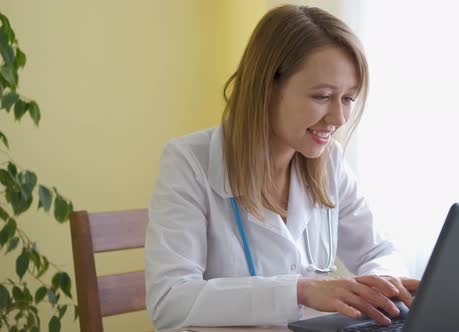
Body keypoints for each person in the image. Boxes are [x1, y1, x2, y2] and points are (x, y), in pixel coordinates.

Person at [145, 4, 419, 331]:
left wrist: (382, 281)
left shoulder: (328, 162)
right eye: (322, 96)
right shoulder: (189, 163)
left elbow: (379, 250)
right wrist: (300, 290)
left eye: (347, 98)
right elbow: (170, 301)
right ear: (266, 88)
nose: (339, 118)